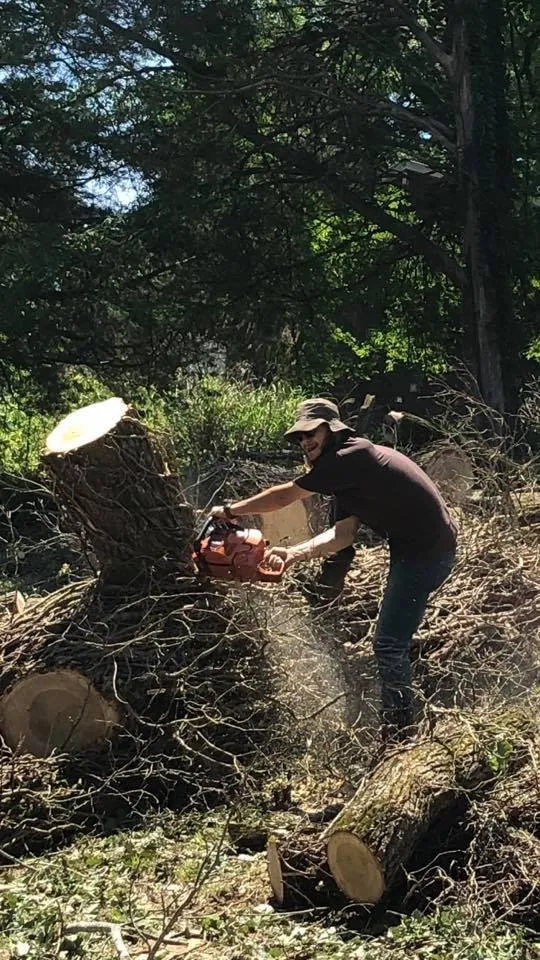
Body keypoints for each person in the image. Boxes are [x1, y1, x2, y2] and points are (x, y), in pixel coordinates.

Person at [211, 398, 457, 741]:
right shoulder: (347, 478)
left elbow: (285, 496)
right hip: (415, 550)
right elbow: (342, 537)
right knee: (392, 638)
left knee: (387, 643)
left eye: (313, 432)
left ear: (332, 430)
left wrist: (230, 510)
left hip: (428, 553)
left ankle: (401, 733)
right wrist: (292, 553)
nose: (306, 440)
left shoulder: (351, 455)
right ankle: (402, 723)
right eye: (300, 436)